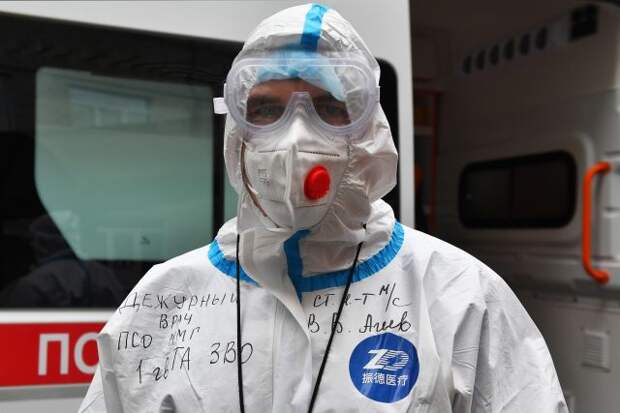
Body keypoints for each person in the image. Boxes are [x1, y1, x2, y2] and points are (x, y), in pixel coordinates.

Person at [79, 4, 568, 412]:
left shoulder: (460, 296)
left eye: (330, 108)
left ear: (368, 131)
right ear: (237, 133)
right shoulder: (162, 301)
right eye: (266, 109)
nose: (296, 137)